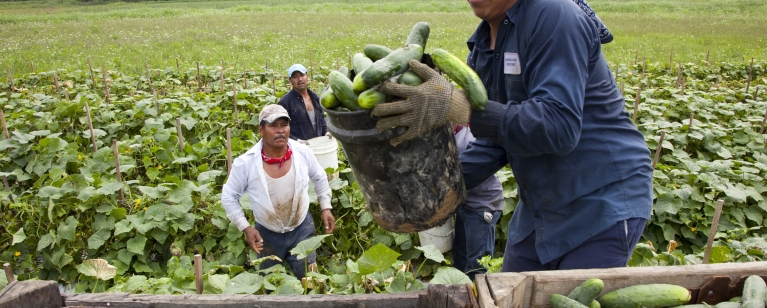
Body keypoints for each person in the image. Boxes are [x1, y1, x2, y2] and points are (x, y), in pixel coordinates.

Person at [372, 0, 652, 272]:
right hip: (540, 209)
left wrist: (459, 107)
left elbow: (559, 126)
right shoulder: (483, 44)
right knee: (510, 296)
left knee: (570, 298)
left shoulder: (554, 15)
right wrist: (431, 190)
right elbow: (497, 143)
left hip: (599, 201)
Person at [221, 104, 335, 280]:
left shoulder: (302, 153)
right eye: (273, 126)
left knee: (308, 280)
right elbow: (229, 196)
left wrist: (325, 207)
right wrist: (245, 227)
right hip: (266, 233)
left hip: (301, 227)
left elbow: (319, 177)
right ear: (261, 130)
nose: (280, 130)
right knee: (270, 282)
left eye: (284, 125)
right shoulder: (246, 163)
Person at [452, 124, 504, 281]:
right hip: (465, 204)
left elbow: (473, 170)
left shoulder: (470, 136)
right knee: (460, 257)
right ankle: (459, 297)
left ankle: (478, 300)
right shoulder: (452, 134)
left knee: (477, 265)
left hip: (482, 206)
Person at [278, 64, 328, 141]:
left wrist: (326, 132)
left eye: (302, 75)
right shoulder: (285, 102)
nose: (300, 79)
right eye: (295, 77)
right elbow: (280, 128)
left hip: (318, 145)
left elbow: (321, 119)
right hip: (297, 148)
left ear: (307, 76)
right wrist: (296, 140)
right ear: (290, 81)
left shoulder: (315, 98)